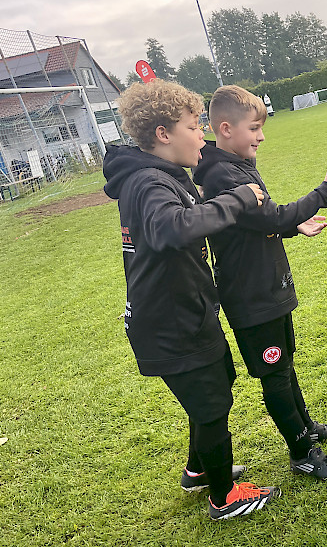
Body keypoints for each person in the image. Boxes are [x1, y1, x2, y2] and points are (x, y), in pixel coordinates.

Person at [103, 79, 279, 520]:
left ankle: (199, 470)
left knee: (217, 387)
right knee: (212, 404)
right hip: (172, 323)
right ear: (163, 134)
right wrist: (237, 199)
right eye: (194, 126)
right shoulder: (147, 182)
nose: (203, 135)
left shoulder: (162, 176)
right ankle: (224, 496)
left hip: (187, 313)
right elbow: (172, 228)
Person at [193, 85, 327, 480]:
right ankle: (302, 453)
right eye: (254, 128)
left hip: (268, 287)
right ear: (226, 129)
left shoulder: (237, 163)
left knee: (285, 364)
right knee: (276, 374)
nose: (261, 136)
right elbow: (274, 216)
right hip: (251, 296)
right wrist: (325, 188)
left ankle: (306, 428)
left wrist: (291, 227)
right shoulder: (222, 174)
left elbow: (256, 224)